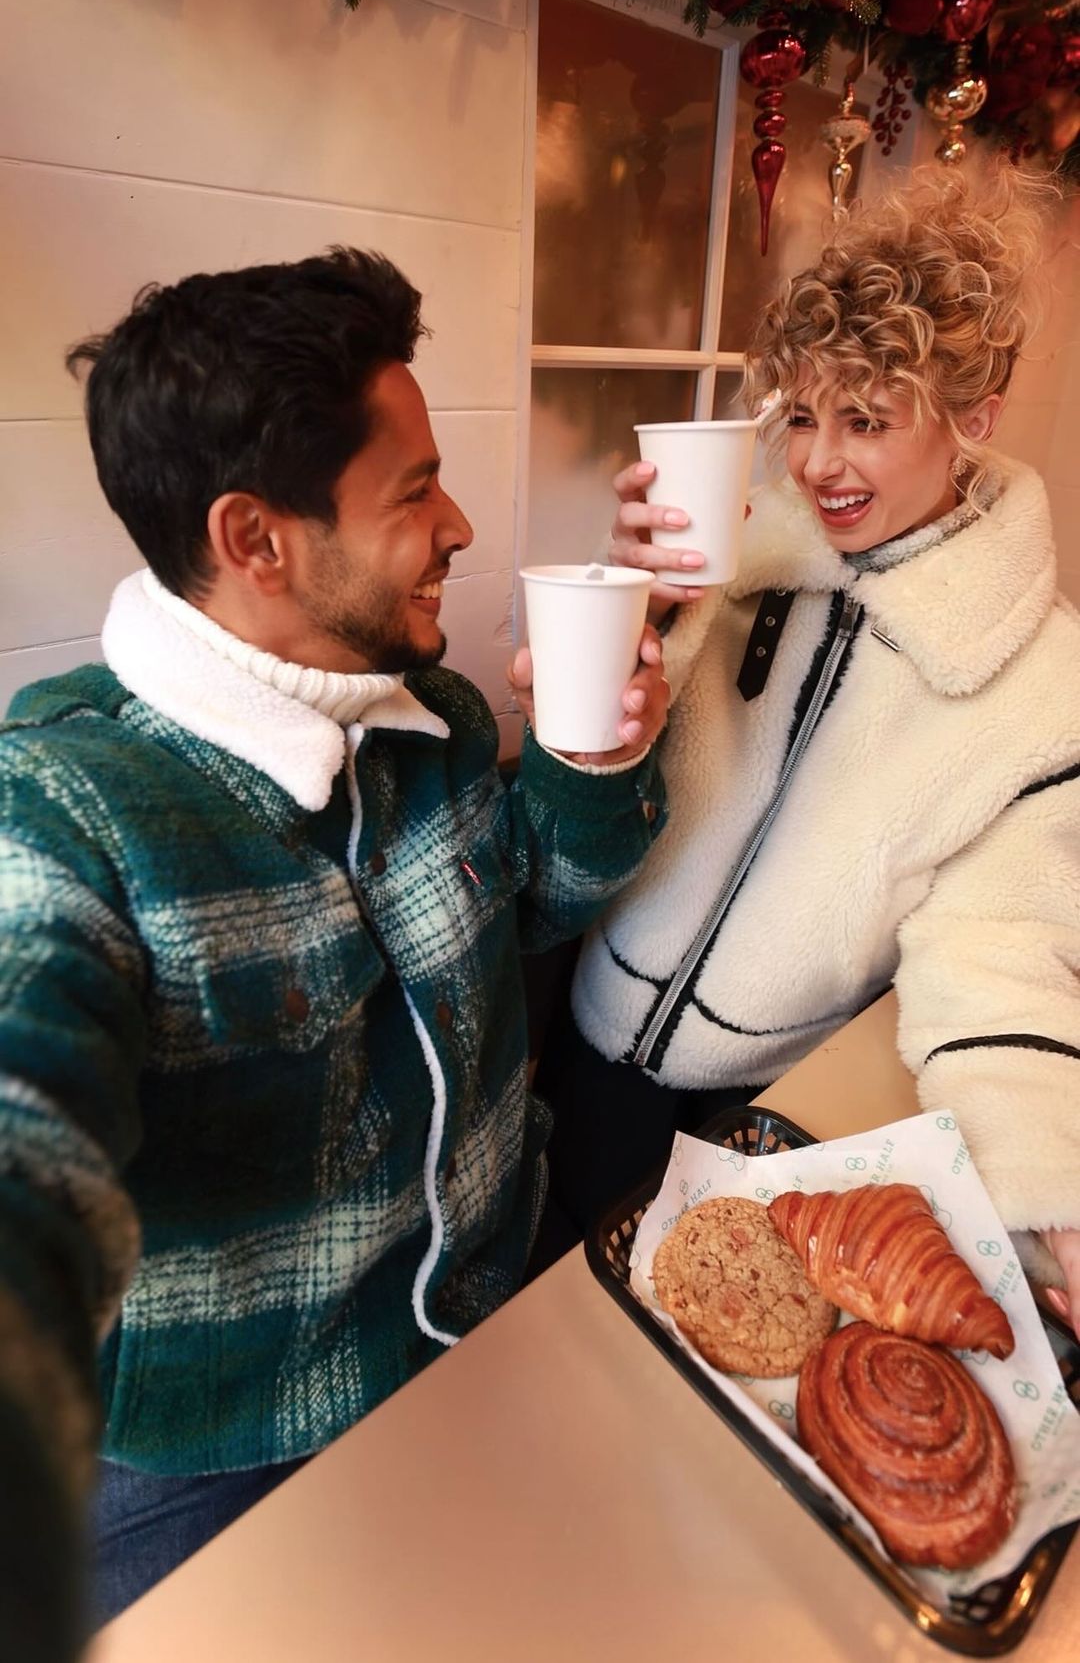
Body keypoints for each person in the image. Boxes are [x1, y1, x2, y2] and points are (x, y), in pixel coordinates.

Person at [0, 248, 671, 1661]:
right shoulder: (64, 810)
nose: (461, 525)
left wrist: (595, 759)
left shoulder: (426, 711)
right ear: (257, 539)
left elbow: (539, 904)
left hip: (509, 1298)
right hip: (238, 1444)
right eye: (414, 492)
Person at [541, 168, 1080, 1336]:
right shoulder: (735, 552)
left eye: (867, 421)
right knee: (540, 1331)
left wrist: (1055, 1198)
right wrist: (635, 607)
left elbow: (1000, 952)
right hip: (577, 1044)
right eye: (802, 415)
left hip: (758, 1111)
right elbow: (605, 785)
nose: (817, 463)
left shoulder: (1044, 689)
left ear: (976, 416)